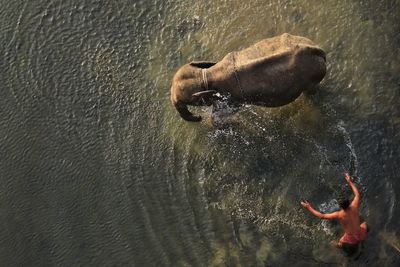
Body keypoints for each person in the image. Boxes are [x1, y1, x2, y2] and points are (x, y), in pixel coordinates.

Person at [300, 172, 367, 248]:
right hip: (361, 234)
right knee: (364, 224)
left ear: (340, 206)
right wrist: (350, 182)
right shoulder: (354, 205)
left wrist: (309, 207)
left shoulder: (339, 214)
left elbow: (322, 215)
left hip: (351, 238)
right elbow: (357, 194)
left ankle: (339, 245)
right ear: (349, 202)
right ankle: (363, 238)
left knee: (338, 242)